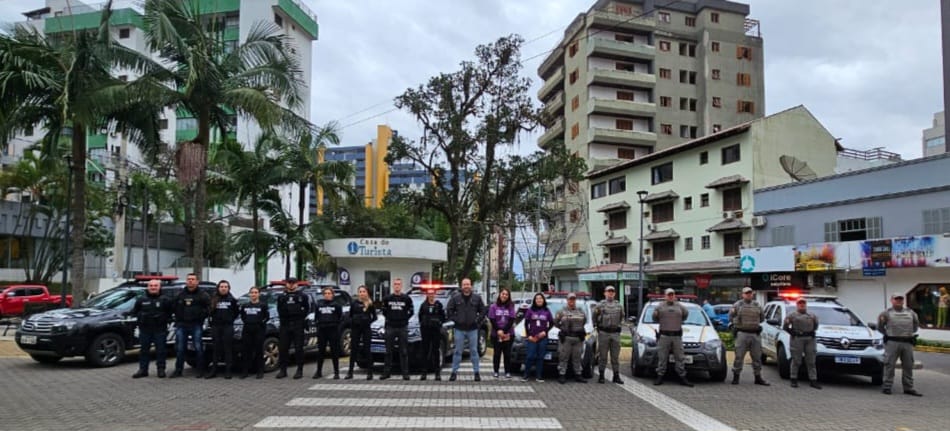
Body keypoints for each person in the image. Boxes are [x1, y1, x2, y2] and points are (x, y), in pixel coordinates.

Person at [127, 279, 172, 378]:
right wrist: (142, 316)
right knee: (144, 351)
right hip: (145, 329)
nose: (153, 287)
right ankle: (143, 370)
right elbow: (134, 312)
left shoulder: (165, 299)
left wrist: (163, 318)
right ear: (148, 287)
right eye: (151, 285)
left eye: (155, 285)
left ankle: (161, 369)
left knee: (161, 351)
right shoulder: (141, 299)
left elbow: (170, 313)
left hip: (160, 329)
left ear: (159, 287)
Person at [879, 293, 922, 396]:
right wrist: (888, 335)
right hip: (892, 342)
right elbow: (880, 327)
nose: (898, 301)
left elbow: (916, 325)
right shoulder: (886, 313)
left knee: (908, 365)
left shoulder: (910, 312)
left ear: (903, 301)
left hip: (907, 342)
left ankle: (908, 388)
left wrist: (908, 334)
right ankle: (887, 387)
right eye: (896, 299)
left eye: (900, 299)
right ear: (892, 300)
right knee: (889, 365)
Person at [170, 273, 211, 378]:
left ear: (197, 281)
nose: (190, 281)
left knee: (198, 348)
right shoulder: (180, 294)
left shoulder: (203, 295)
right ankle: (178, 370)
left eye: (193, 279)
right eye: (188, 279)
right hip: (182, 325)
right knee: (180, 349)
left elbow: (209, 308)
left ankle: (201, 370)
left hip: (196, 325)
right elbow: (173, 307)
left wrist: (200, 316)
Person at [447, 277, 487, 382]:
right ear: (461, 286)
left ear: (471, 286)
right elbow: (449, 310)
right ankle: (454, 373)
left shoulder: (477, 298)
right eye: (464, 284)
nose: (466, 286)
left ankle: (476, 373)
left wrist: (477, 320)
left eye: (468, 284)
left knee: (474, 351)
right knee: (457, 351)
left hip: (473, 329)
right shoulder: (455, 298)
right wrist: (456, 320)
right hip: (459, 329)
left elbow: (483, 311)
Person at [728, 287, 769, 386]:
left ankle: (758, 377)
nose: (749, 295)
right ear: (742, 294)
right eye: (746, 293)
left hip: (754, 334)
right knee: (739, 356)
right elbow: (730, 317)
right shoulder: (737, 305)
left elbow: (762, 318)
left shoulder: (757, 305)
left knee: (757, 357)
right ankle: (736, 377)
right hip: (742, 333)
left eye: (750, 293)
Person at [652, 288, 693, 387]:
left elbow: (685, 316)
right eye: (668, 295)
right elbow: (654, 318)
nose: (670, 296)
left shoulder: (681, 307)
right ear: (665, 296)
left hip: (677, 336)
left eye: (672, 295)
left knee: (680, 357)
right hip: (664, 335)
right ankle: (660, 376)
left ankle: (682, 376)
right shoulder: (659, 307)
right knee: (662, 357)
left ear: (674, 296)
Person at [276, 277, 309, 379]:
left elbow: (306, 309)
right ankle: (283, 370)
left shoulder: (302, 296)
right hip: (285, 324)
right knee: (283, 348)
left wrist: (300, 318)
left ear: (297, 284)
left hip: (298, 324)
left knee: (299, 348)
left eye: (293, 283)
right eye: (289, 283)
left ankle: (299, 370)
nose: (291, 285)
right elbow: (279, 309)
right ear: (286, 284)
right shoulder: (282, 296)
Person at [783, 298, 820, 389]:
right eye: (800, 303)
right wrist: (792, 333)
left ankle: (813, 380)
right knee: (796, 360)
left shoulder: (812, 315)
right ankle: (794, 379)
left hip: (810, 339)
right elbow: (785, 326)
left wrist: (811, 332)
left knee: (811, 361)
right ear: (797, 305)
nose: (802, 305)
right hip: (797, 339)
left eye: (803, 303)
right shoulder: (792, 315)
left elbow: (816, 326)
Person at [381, 278, 413, 380]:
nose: (397, 286)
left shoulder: (406, 298)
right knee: (388, 351)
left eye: (399, 284)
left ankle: (405, 373)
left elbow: (411, 311)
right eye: (395, 284)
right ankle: (386, 372)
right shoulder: (387, 298)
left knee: (403, 351)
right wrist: (390, 318)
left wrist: (404, 319)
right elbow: (384, 311)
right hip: (390, 326)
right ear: (393, 286)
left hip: (402, 327)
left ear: (401, 286)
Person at [207, 280, 239, 379]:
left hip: (227, 327)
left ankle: (228, 371)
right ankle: (214, 370)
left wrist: (229, 320)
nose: (223, 288)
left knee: (228, 349)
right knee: (216, 349)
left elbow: (236, 312)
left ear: (228, 288)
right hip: (216, 327)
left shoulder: (232, 300)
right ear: (218, 288)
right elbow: (210, 312)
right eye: (221, 286)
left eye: (225, 287)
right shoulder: (213, 299)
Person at [593, 285, 624, 384]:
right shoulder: (600, 305)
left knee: (615, 357)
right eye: (608, 291)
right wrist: (598, 327)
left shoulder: (619, 305)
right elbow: (594, 317)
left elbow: (622, 317)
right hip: (604, 333)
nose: (610, 293)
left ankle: (616, 376)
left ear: (614, 293)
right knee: (603, 356)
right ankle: (601, 376)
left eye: (612, 292)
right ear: (605, 293)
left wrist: (619, 326)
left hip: (615, 333)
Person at [555, 292, 587, 384]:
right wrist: (563, 329)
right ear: (567, 300)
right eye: (570, 299)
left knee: (577, 357)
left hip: (577, 338)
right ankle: (562, 375)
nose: (571, 301)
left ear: (575, 300)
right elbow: (556, 322)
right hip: (566, 338)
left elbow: (584, 321)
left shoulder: (581, 311)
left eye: (573, 299)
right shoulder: (561, 311)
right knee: (563, 357)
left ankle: (578, 375)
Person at [346, 285, 377, 380]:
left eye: (364, 291)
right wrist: (354, 321)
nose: (362, 293)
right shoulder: (354, 303)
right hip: (356, 329)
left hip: (366, 329)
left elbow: (375, 317)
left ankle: (370, 372)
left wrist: (367, 321)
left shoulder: (370, 304)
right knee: (354, 349)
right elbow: (350, 316)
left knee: (367, 349)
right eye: (360, 291)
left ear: (367, 293)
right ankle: (350, 372)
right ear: (358, 293)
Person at [522, 293, 553, 382]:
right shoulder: (530, 310)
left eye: (540, 298)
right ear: (535, 300)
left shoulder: (547, 311)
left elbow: (551, 323)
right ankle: (526, 375)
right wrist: (529, 336)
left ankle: (538, 376)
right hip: (532, 337)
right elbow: (526, 323)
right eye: (537, 299)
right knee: (530, 356)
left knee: (540, 357)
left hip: (542, 338)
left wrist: (545, 331)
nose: (539, 300)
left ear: (543, 300)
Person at [313, 287, 343, 379]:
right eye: (325, 293)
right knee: (321, 352)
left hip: (333, 330)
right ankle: (318, 371)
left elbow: (340, 317)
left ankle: (336, 372)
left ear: (332, 295)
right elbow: (316, 316)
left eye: (329, 293)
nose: (327, 295)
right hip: (322, 330)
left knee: (334, 352)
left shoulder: (337, 305)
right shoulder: (319, 304)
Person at [239, 286, 269, 379]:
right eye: (252, 292)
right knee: (246, 351)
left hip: (258, 330)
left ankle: (260, 371)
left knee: (259, 351)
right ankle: (245, 371)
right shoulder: (245, 306)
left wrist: (260, 324)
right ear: (249, 294)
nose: (253, 294)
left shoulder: (263, 305)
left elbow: (266, 317)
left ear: (258, 294)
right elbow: (243, 317)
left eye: (255, 292)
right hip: (247, 329)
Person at [418, 286, 446, 381]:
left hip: (435, 331)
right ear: (427, 295)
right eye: (429, 294)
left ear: (435, 294)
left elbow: (443, 317)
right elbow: (420, 316)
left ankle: (437, 373)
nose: (431, 295)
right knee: (425, 351)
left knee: (436, 351)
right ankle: (424, 373)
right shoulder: (423, 305)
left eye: (432, 294)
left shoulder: (439, 305)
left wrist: (439, 323)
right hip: (425, 330)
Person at [488, 288, 516, 379]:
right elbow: (492, 319)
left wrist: (504, 331)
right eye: (503, 294)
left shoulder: (511, 306)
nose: (504, 296)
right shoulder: (493, 306)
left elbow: (511, 320)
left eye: (506, 294)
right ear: (500, 294)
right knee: (497, 354)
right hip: (496, 334)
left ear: (508, 296)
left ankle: (507, 371)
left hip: (508, 334)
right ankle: (496, 371)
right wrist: (498, 330)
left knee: (507, 354)